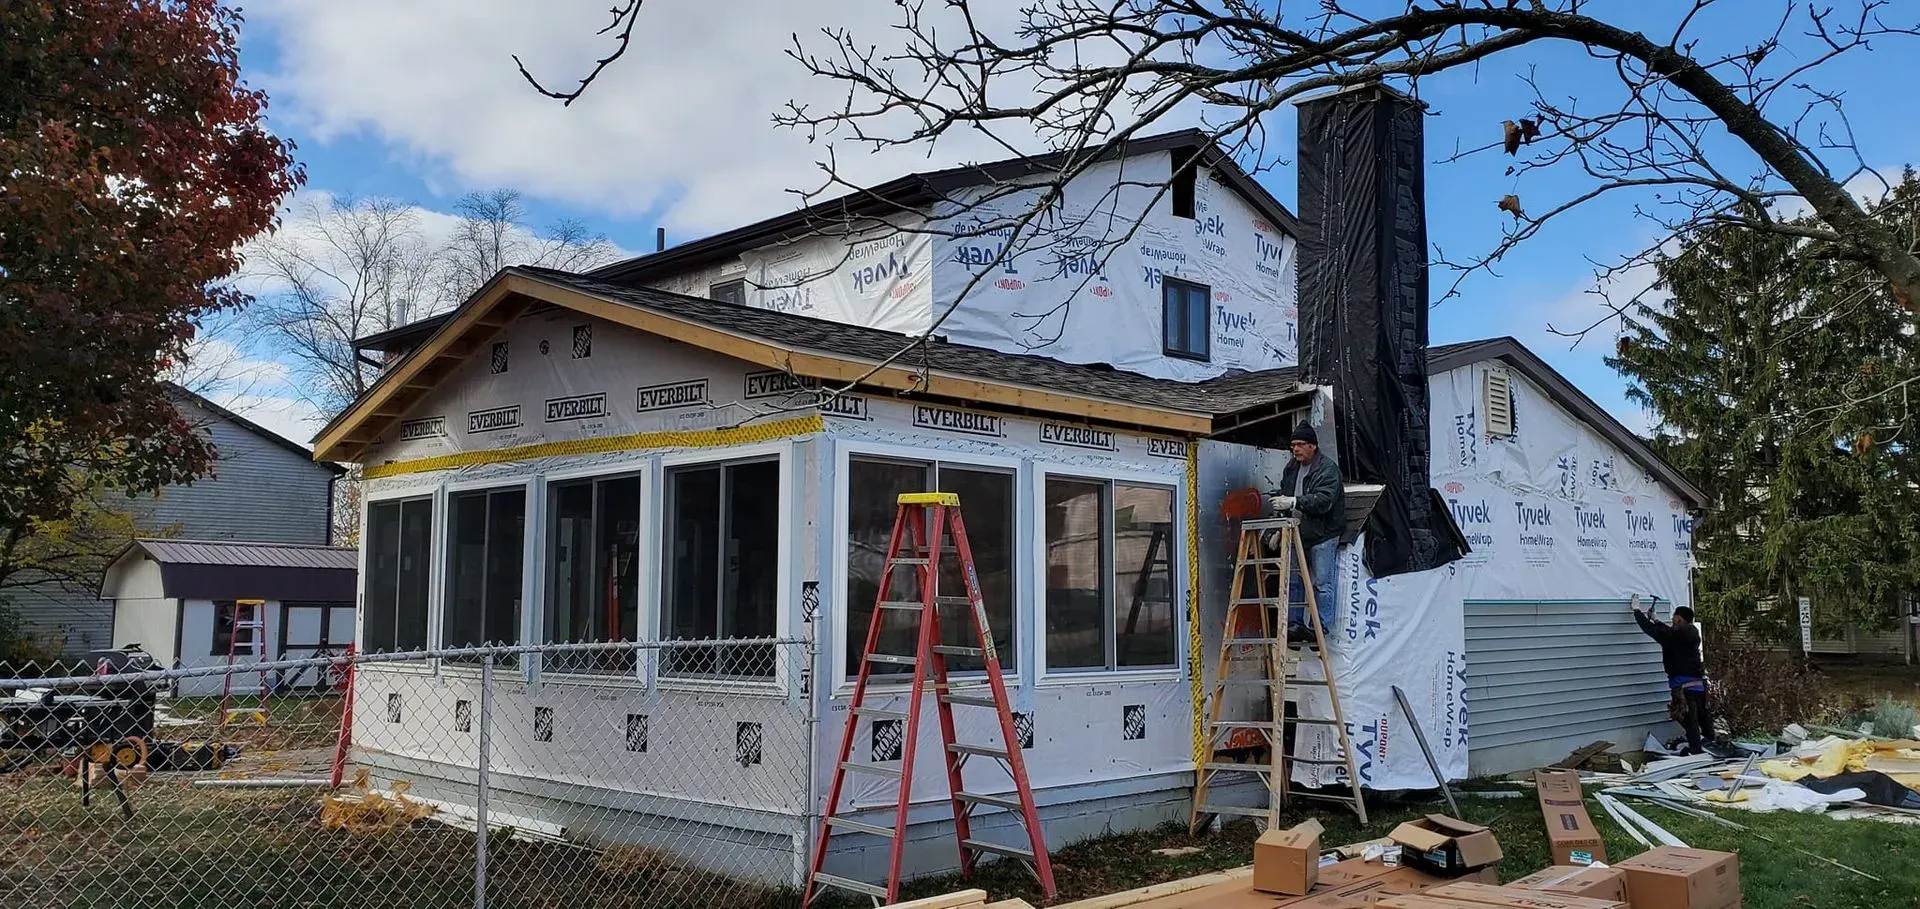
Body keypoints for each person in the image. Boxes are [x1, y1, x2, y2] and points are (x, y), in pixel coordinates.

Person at [1268, 422, 1343, 642]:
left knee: (1322, 582)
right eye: (1293, 445)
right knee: (1294, 579)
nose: (1296, 449)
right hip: (1297, 531)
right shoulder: (1292, 468)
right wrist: (1278, 526)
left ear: (1313, 446)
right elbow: (1285, 492)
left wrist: (1293, 501)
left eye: (1300, 444)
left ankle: (1320, 627)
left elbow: (1324, 502)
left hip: (1323, 533)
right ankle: (1294, 624)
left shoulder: (1327, 470)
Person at [1632, 600, 1715, 754]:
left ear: (1679, 618)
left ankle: (1697, 754)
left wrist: (1637, 612)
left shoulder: (1676, 636)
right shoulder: (1690, 633)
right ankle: (1712, 747)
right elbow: (1668, 633)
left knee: (1688, 721)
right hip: (1699, 686)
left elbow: (1653, 631)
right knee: (1703, 719)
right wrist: (1656, 619)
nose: (1672, 620)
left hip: (1684, 688)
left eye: (1674, 618)